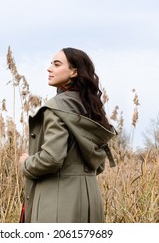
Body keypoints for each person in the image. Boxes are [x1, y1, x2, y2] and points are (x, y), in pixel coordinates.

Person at [18, 47, 117, 223]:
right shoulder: (91, 109)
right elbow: (99, 165)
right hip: (90, 200)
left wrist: (27, 163)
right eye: (51, 64)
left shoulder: (56, 108)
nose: (49, 68)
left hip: (56, 202)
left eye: (56, 64)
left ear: (74, 72)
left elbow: (51, 158)